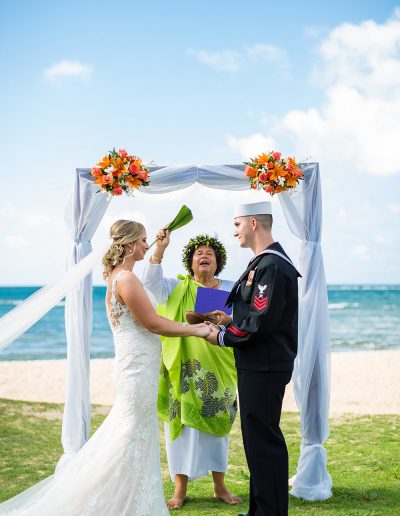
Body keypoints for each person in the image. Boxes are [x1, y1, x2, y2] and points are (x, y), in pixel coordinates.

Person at [0, 219, 210, 516]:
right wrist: (198, 330)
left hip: (138, 367)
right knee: (129, 436)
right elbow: (152, 323)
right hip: (136, 370)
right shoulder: (125, 279)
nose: (146, 245)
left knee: (134, 434)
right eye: (142, 240)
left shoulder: (118, 277)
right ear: (127, 244)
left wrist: (161, 251)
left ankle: (129, 501)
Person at [206, 202, 300, 516]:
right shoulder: (265, 263)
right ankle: (260, 509)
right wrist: (230, 318)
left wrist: (221, 335)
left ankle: (270, 512)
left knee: (263, 441)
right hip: (259, 363)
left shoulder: (271, 265)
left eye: (237, 225)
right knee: (257, 441)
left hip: (264, 364)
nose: (234, 232)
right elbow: (257, 313)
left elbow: (261, 322)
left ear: (254, 224)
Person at [142, 230, 241, 509]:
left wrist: (228, 317)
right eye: (199, 252)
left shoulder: (231, 287)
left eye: (210, 253)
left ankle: (219, 486)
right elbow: (150, 281)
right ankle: (180, 489)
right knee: (182, 429)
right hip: (183, 369)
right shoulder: (175, 286)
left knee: (217, 428)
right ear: (190, 261)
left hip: (220, 365)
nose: (204, 255)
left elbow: (245, 317)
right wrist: (159, 250)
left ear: (218, 261)